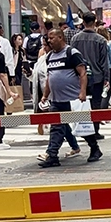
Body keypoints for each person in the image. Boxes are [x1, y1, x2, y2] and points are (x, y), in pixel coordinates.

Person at [38, 27, 91, 168]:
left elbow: (82, 73)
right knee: (57, 126)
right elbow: (50, 77)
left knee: (80, 126)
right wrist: (45, 95)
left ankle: (94, 147)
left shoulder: (71, 53)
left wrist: (82, 92)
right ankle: (52, 155)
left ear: (60, 37)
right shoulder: (50, 57)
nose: (49, 41)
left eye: (52, 38)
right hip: (56, 100)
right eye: (48, 38)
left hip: (72, 99)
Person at [70, 11, 111, 156]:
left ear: (83, 22)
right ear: (94, 22)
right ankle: (95, 130)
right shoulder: (100, 40)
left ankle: (82, 129)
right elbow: (103, 61)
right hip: (97, 76)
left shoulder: (75, 39)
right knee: (95, 105)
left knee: (80, 105)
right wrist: (107, 77)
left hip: (79, 77)